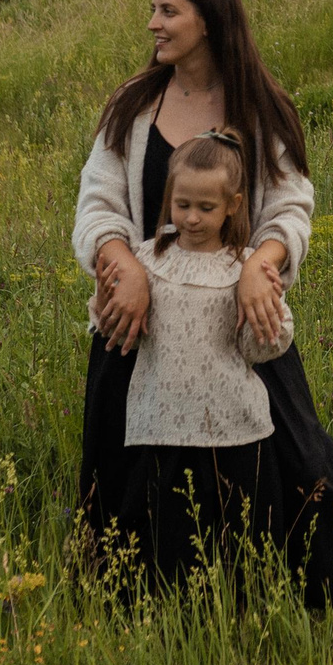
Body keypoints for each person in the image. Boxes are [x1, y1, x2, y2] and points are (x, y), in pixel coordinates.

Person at [71, 0, 333, 604]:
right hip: (139, 328)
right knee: (133, 482)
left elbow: (289, 206)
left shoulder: (259, 107)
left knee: (292, 462)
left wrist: (261, 263)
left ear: (210, 21)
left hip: (238, 323)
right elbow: (97, 203)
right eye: (154, 10)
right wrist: (123, 264)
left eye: (169, 12)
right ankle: (147, 606)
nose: (153, 24)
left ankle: (290, 594)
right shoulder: (133, 105)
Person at [102, 129, 295, 582]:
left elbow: (257, 347)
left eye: (206, 208)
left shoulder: (242, 267)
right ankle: (172, 618)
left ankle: (242, 607)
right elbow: (112, 317)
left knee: (237, 536)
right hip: (162, 424)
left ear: (232, 205)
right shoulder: (146, 262)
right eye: (182, 205)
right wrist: (110, 300)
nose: (191, 218)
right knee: (170, 538)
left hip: (233, 425)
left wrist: (268, 321)